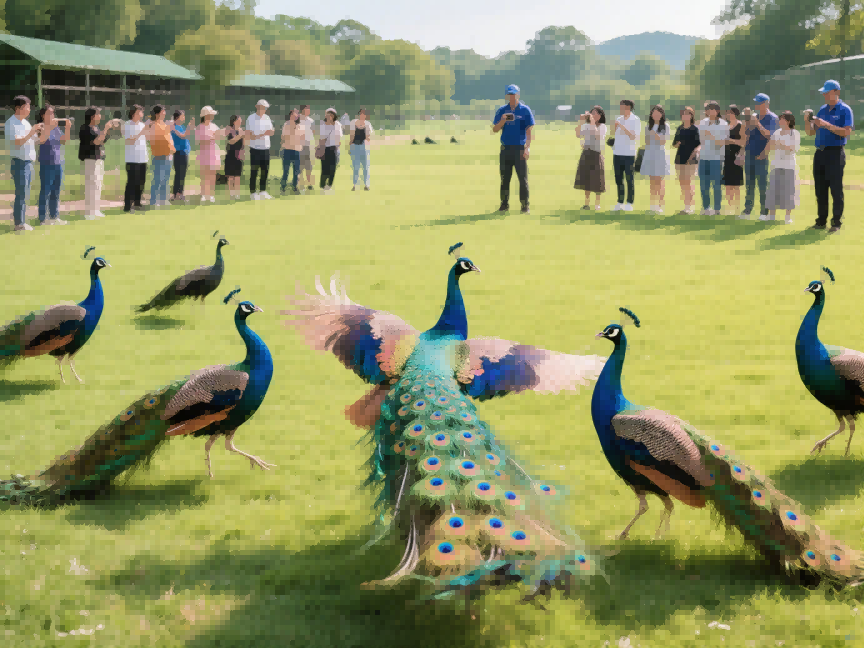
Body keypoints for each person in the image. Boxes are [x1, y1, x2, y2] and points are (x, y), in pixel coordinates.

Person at [805, 79, 854, 233]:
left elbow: (846, 132)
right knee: (820, 189)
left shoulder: (845, 109)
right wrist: (807, 121)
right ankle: (821, 221)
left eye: (827, 92)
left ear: (836, 92)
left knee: (835, 189)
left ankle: (836, 223)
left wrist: (825, 124)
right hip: (820, 153)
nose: (824, 95)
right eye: (824, 93)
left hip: (835, 153)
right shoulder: (822, 109)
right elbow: (811, 132)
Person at [492, 84, 535, 214]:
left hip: (520, 149)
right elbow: (495, 129)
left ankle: (525, 206)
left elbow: (529, 131)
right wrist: (502, 120)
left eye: (514, 94)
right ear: (507, 95)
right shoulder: (502, 110)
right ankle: (504, 205)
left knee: (523, 179)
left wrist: (527, 148)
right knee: (505, 178)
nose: (512, 97)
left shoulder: (525, 110)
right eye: (510, 94)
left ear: (518, 95)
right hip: (506, 149)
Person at [4, 96, 42, 231]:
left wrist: (40, 132)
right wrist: (32, 131)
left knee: (25, 194)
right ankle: (19, 224)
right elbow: (17, 142)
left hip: (28, 162)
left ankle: (21, 222)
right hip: (19, 162)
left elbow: (35, 140)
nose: (29, 109)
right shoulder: (11, 123)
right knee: (21, 194)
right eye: (27, 107)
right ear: (18, 108)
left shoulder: (25, 123)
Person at [740, 94, 777, 219]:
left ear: (767, 103)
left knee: (762, 184)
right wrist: (747, 121)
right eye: (756, 103)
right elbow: (746, 134)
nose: (757, 105)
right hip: (750, 154)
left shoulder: (772, 118)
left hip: (762, 155)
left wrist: (758, 124)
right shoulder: (754, 116)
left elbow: (769, 136)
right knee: (749, 184)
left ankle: (764, 212)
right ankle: (747, 210)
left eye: (759, 103)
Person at [760, 110, 800, 225]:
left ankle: (788, 217)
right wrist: (762, 155)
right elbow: (771, 144)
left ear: (788, 121)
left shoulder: (794, 133)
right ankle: (771, 215)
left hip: (789, 166)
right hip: (776, 165)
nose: (779, 121)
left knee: (789, 191)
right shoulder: (777, 132)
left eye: (782, 119)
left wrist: (780, 144)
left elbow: (793, 149)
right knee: (773, 190)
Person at [78, 106, 117, 220]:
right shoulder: (85, 128)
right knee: (91, 185)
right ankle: (89, 212)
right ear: (92, 116)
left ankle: (96, 210)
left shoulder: (96, 128)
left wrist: (107, 130)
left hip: (99, 158)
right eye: (98, 114)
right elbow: (96, 141)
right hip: (90, 159)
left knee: (98, 185)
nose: (100, 116)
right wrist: (105, 128)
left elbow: (102, 141)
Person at [35, 104, 71, 225]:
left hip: (57, 162)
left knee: (56, 191)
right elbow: (42, 140)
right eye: (49, 113)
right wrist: (50, 127)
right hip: (46, 163)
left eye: (53, 113)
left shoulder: (55, 128)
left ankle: (54, 216)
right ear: (43, 115)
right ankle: (42, 218)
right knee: (46, 191)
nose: (52, 115)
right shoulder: (41, 127)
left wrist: (68, 128)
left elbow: (64, 141)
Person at [697, 101, 729, 216]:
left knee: (716, 184)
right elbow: (701, 140)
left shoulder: (723, 124)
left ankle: (717, 209)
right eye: (708, 109)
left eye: (713, 109)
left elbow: (721, 142)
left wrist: (710, 135)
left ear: (717, 111)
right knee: (704, 185)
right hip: (703, 157)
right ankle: (706, 208)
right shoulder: (702, 122)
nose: (710, 112)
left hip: (716, 158)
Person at [639, 104, 671, 214]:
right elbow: (647, 141)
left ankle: (660, 206)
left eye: (658, 113)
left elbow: (663, 141)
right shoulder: (648, 126)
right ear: (651, 115)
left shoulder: (666, 126)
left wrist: (655, 134)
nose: (656, 115)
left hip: (660, 155)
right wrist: (650, 135)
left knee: (660, 181)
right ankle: (653, 206)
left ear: (662, 114)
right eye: (654, 113)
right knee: (652, 182)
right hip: (650, 154)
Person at [573, 105, 607, 210]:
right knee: (586, 179)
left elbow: (597, 136)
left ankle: (597, 204)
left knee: (597, 179)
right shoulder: (586, 125)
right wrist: (581, 121)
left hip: (596, 154)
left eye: (595, 114)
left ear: (600, 116)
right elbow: (578, 135)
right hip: (586, 153)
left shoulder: (602, 126)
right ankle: (586, 203)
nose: (593, 115)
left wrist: (592, 122)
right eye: (592, 113)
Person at [611, 99, 640, 212]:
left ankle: (629, 203)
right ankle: (620, 202)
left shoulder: (635, 119)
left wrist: (622, 126)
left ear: (628, 107)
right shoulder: (619, 119)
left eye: (622, 106)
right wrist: (615, 127)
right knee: (618, 179)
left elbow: (633, 136)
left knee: (629, 179)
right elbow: (614, 134)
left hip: (629, 154)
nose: (620, 109)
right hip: (617, 152)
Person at [672, 106, 700, 215]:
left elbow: (699, 144)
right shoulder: (680, 128)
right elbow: (674, 144)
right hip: (679, 159)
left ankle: (690, 207)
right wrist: (677, 144)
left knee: (688, 183)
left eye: (688, 114)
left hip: (691, 160)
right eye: (684, 114)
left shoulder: (694, 129)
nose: (685, 116)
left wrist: (694, 153)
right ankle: (686, 207)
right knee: (682, 184)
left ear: (691, 116)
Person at [123, 104, 150, 213]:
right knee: (131, 182)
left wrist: (148, 130)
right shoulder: (127, 125)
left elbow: (146, 138)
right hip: (132, 159)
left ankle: (137, 203)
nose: (142, 114)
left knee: (141, 182)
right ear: (133, 113)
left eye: (142, 112)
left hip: (143, 158)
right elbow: (129, 140)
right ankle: (127, 206)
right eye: (140, 112)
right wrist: (142, 131)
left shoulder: (142, 125)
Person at [147, 105, 175, 209]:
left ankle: (163, 200)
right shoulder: (154, 125)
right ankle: (154, 201)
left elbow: (169, 138)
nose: (165, 113)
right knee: (158, 179)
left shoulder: (164, 124)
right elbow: (158, 138)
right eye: (163, 111)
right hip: (159, 155)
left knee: (166, 179)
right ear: (157, 113)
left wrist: (171, 149)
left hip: (168, 154)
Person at [195, 106, 224, 203]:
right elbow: (200, 141)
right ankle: (203, 194)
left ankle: (211, 195)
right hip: (204, 153)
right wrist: (211, 138)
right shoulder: (199, 127)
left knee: (212, 175)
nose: (212, 116)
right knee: (204, 175)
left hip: (213, 153)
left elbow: (218, 137)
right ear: (206, 115)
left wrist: (219, 134)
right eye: (210, 114)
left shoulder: (214, 126)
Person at [247, 99, 275, 200]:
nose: (264, 109)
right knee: (254, 171)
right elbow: (250, 135)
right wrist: (264, 133)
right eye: (262, 107)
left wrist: (271, 132)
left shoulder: (267, 118)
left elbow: (271, 132)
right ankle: (253, 192)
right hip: (255, 148)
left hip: (266, 148)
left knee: (265, 171)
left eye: (265, 108)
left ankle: (263, 191)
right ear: (257, 107)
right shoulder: (250, 118)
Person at [721, 105, 745, 216]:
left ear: (736, 113)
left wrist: (731, 140)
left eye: (731, 113)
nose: (728, 115)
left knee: (736, 185)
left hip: (737, 158)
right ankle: (729, 208)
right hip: (726, 157)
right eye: (727, 113)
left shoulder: (741, 125)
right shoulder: (726, 126)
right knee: (727, 185)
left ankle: (737, 209)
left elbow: (743, 143)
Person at [349, 108, 373, 191]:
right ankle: (355, 185)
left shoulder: (368, 124)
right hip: (355, 146)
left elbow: (368, 137)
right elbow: (351, 136)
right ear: (358, 115)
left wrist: (367, 136)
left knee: (366, 166)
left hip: (364, 147)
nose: (362, 115)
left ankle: (366, 185)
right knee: (356, 167)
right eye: (361, 114)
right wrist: (350, 146)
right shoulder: (353, 122)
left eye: (364, 114)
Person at [280, 109, 303, 194]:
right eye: (293, 115)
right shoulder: (286, 124)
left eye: (296, 115)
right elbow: (284, 137)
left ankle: (295, 187)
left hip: (297, 150)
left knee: (296, 171)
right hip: (287, 150)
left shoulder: (300, 125)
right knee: (286, 170)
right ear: (290, 116)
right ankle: (283, 186)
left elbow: (302, 137)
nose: (295, 116)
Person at [169, 110, 191, 202]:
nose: (184, 117)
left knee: (182, 174)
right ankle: (176, 194)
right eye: (183, 116)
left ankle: (179, 193)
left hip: (184, 152)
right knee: (179, 173)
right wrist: (189, 127)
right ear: (177, 117)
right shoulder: (173, 127)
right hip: (178, 153)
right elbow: (183, 136)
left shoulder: (181, 126)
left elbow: (185, 137)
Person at [319, 108, 342, 192]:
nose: (329, 116)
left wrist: (338, 146)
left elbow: (339, 136)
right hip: (325, 148)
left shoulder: (337, 124)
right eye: (328, 115)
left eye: (331, 115)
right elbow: (322, 138)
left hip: (334, 148)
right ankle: (322, 185)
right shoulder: (323, 124)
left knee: (332, 168)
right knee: (325, 168)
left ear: (334, 116)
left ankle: (329, 185)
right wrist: (321, 149)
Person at [224, 115, 245, 200]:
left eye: (240, 121)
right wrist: (240, 135)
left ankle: (237, 194)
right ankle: (231, 194)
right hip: (230, 154)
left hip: (238, 155)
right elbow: (231, 141)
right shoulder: (229, 129)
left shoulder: (241, 130)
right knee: (231, 176)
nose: (240, 122)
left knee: (237, 176)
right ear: (234, 121)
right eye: (238, 120)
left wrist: (243, 151)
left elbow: (243, 144)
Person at [298, 104, 316, 191]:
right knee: (300, 167)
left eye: (309, 109)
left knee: (309, 167)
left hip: (308, 146)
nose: (308, 110)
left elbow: (313, 132)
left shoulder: (311, 121)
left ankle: (309, 184)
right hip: (299, 146)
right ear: (302, 110)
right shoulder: (297, 119)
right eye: (306, 109)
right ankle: (300, 185)